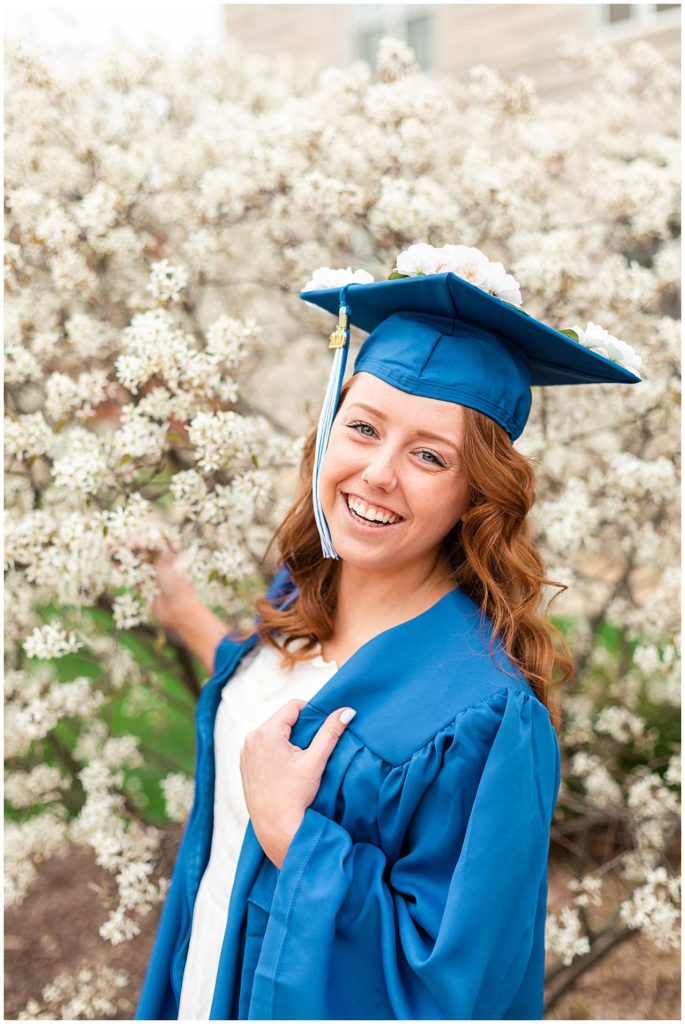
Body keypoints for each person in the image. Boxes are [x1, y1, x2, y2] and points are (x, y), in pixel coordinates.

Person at [135, 245, 641, 1021]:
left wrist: (290, 833)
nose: (377, 473)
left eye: (429, 456)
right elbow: (273, 690)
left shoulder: (482, 718)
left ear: (476, 495)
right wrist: (180, 608)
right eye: (363, 427)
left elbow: (452, 992)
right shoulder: (302, 592)